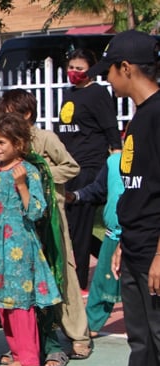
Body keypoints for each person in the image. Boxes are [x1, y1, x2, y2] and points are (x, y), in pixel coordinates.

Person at [89, 30, 160, 366]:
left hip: (154, 251)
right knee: (141, 342)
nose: (106, 79)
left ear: (127, 68)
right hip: (135, 247)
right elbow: (140, 187)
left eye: (109, 71)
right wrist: (123, 240)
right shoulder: (140, 116)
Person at [0, 89, 92, 366]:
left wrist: (41, 175)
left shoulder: (45, 139)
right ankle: (28, 342)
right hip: (21, 221)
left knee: (62, 271)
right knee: (26, 276)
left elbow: (71, 167)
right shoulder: (10, 143)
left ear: (26, 114)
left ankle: (79, 336)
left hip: (51, 214)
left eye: (10, 113)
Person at [0, 112, 62, 366]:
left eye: (1, 142)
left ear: (18, 143)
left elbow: (37, 211)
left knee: (22, 307)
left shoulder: (28, 171)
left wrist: (21, 186)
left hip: (20, 251)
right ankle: (18, 354)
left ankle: (32, 362)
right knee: (4, 306)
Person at [57, 48, 123, 291]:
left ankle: (79, 280)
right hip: (69, 166)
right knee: (72, 225)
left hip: (90, 166)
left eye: (79, 68)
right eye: (71, 67)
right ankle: (108, 255)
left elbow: (109, 126)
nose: (73, 72)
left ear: (91, 70)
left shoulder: (97, 94)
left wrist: (116, 153)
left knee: (81, 224)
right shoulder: (69, 93)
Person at [66, 151, 123, 338]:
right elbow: (98, 189)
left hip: (141, 238)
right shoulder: (114, 162)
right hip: (113, 235)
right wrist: (76, 196)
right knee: (101, 286)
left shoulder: (152, 162)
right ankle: (91, 325)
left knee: (148, 288)